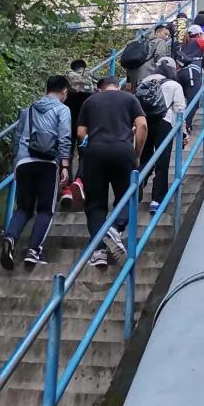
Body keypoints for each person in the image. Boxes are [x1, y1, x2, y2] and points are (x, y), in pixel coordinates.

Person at [0, 75, 72, 269]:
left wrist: (17, 162)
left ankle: (10, 237)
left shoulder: (29, 109)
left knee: (23, 208)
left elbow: (17, 137)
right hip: (47, 163)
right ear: (64, 91)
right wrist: (65, 165)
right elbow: (65, 137)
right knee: (45, 209)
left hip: (24, 162)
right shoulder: (62, 110)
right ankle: (33, 251)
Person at [77, 76, 147, 269]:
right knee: (130, 194)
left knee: (95, 204)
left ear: (100, 88)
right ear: (117, 86)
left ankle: (99, 251)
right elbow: (142, 126)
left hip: (95, 153)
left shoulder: (90, 101)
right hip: (123, 151)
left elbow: (81, 133)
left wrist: (95, 138)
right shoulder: (130, 98)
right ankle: (115, 229)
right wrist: (137, 154)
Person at [136, 58, 187, 215]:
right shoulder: (174, 85)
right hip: (165, 123)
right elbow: (179, 109)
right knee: (162, 161)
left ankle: (138, 184)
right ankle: (156, 200)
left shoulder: (145, 81)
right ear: (173, 69)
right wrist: (183, 132)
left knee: (145, 157)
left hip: (144, 122)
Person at [61, 59, 93, 209]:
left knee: (66, 154)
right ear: (84, 68)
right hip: (85, 125)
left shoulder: (67, 82)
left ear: (72, 69)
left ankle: (66, 190)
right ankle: (79, 181)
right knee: (84, 155)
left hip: (67, 123)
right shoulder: (90, 78)